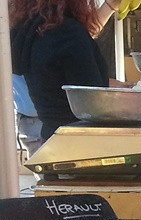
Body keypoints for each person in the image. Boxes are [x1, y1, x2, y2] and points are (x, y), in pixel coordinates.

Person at [10, 0, 129, 140]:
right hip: (79, 141)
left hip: (49, 136)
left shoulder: (31, 31)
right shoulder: (69, 34)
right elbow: (93, 101)